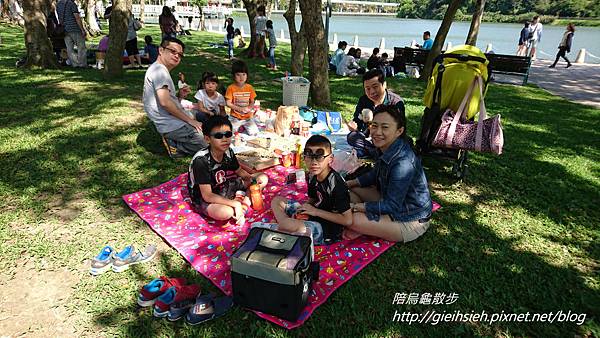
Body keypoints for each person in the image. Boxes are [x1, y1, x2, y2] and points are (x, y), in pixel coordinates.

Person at [344, 104, 432, 243]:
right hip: (390, 201)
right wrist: (349, 183)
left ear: (399, 131)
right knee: (348, 190)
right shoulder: (385, 147)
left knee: (349, 218)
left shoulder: (403, 163)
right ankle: (369, 226)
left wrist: (356, 207)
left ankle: (367, 226)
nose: (377, 132)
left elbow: (392, 206)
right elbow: (374, 174)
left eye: (385, 127)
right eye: (374, 125)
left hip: (410, 220)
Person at [269, 135, 352, 245]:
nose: (314, 162)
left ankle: (282, 225)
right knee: (277, 201)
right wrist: (303, 209)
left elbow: (347, 220)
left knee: (288, 225)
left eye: (319, 156)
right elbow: (313, 198)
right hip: (312, 214)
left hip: (327, 227)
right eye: (309, 155)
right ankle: (285, 224)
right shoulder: (312, 175)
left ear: (330, 159)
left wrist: (316, 212)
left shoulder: (336, 184)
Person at [187, 115, 268, 224]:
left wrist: (253, 181)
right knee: (225, 213)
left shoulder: (228, 151)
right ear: (207, 139)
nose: (224, 139)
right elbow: (207, 195)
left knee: (262, 177)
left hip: (225, 186)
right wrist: (235, 204)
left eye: (228, 134)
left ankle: (242, 204)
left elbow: (240, 172)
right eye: (218, 136)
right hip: (205, 197)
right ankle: (240, 201)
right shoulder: (201, 161)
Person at [143, 37, 206, 156]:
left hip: (174, 119)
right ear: (161, 50)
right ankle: (175, 147)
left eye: (180, 54)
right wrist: (190, 121)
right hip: (171, 125)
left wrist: (180, 95)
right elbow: (165, 103)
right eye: (173, 51)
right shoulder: (159, 71)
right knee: (210, 146)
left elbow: (166, 99)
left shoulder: (159, 69)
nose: (177, 56)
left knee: (207, 119)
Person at [347, 68, 404, 159]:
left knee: (401, 143)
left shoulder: (395, 102)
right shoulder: (364, 100)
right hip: (369, 138)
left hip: (387, 139)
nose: (372, 92)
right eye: (367, 88)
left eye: (375, 87)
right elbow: (357, 120)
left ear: (384, 85)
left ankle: (373, 152)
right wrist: (354, 126)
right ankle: (376, 153)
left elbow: (399, 129)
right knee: (352, 137)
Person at [225, 60, 259, 136]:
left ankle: (243, 127)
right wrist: (239, 109)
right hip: (235, 117)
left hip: (247, 117)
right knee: (229, 134)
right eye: (238, 75)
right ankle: (240, 127)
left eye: (243, 74)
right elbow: (228, 103)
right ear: (233, 76)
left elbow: (252, 101)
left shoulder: (249, 87)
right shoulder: (231, 88)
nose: (241, 77)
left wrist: (249, 108)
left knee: (254, 134)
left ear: (247, 75)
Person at [57, 0, 87, 68]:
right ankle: (82, 64)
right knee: (81, 47)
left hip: (64, 29)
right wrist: (82, 29)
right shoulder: (71, 4)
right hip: (75, 28)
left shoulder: (58, 4)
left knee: (69, 48)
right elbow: (77, 17)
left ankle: (75, 64)